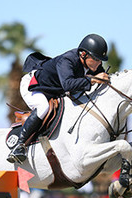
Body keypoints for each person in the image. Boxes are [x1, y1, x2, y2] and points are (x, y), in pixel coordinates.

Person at [7, 34, 109, 163]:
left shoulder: (94, 65)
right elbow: (68, 85)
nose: (99, 63)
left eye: (101, 60)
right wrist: (93, 79)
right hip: (34, 86)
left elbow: (101, 77)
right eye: (96, 59)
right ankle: (19, 146)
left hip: (53, 90)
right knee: (43, 107)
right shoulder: (68, 60)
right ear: (83, 54)